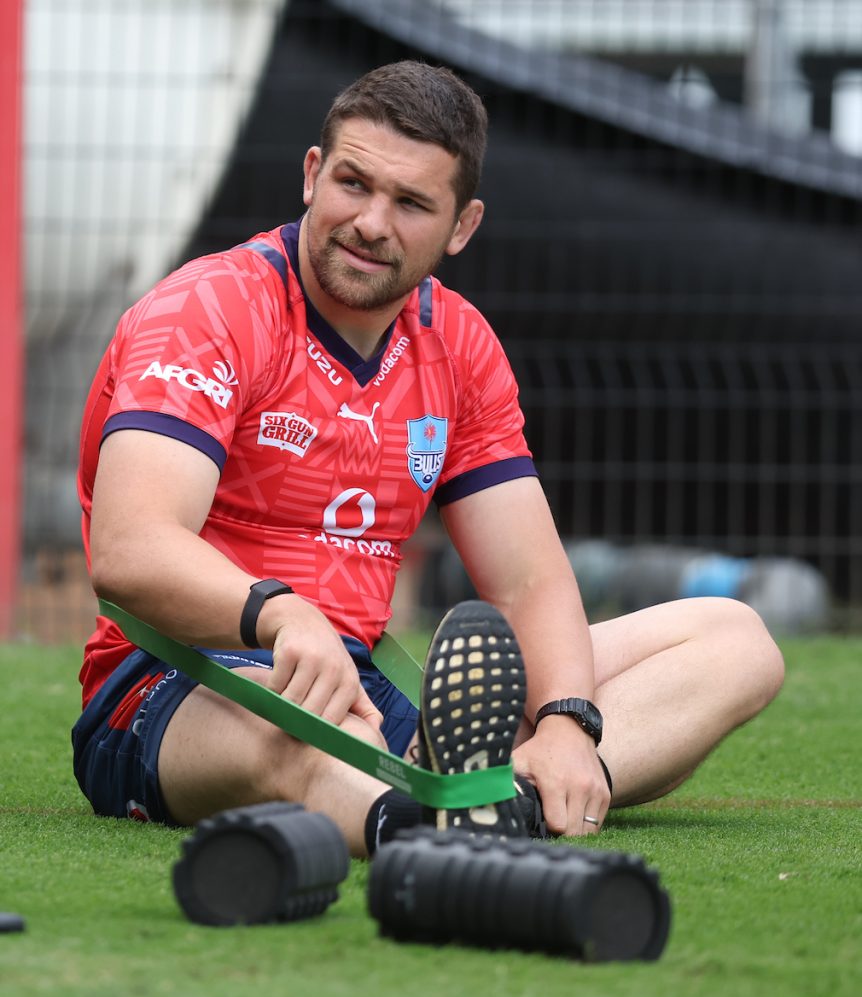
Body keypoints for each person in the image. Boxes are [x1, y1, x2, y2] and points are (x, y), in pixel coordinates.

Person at [72, 61, 784, 856]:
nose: (371, 223)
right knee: (301, 735)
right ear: (313, 175)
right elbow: (131, 549)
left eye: (411, 203)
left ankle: (521, 784)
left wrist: (567, 722)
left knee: (735, 640)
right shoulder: (207, 309)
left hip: (366, 687)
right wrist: (281, 613)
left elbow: (529, 582)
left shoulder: (461, 344)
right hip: (175, 686)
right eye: (353, 183)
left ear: (460, 227)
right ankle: (455, 822)